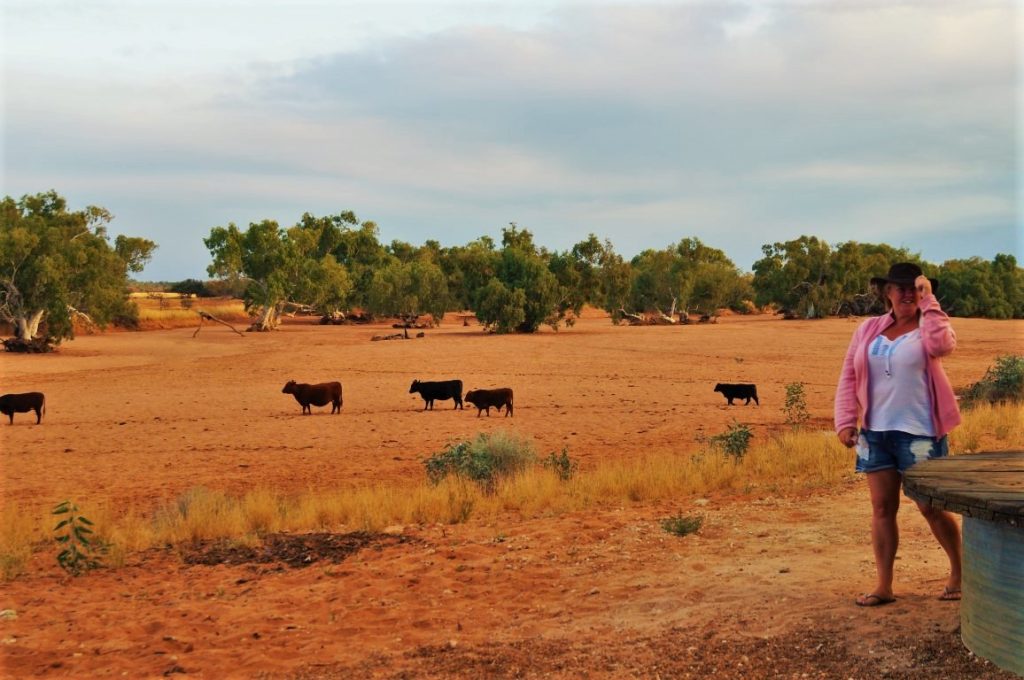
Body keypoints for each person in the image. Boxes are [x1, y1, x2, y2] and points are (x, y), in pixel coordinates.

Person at [834, 262, 963, 607]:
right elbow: (849, 375)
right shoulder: (868, 329)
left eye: (914, 288)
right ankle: (884, 585)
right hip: (875, 433)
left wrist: (929, 301)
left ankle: (958, 572)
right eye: (900, 288)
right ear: (886, 292)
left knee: (930, 507)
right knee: (881, 508)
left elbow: (943, 346)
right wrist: (845, 420)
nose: (907, 294)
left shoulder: (929, 326)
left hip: (921, 433)